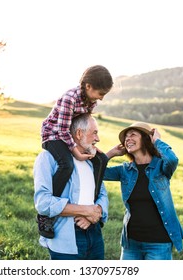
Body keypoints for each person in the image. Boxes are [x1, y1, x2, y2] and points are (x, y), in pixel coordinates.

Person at [37, 65, 113, 238]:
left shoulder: (91, 100)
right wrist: (76, 152)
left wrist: (90, 145)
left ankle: (90, 204)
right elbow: (63, 130)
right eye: (101, 93)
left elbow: (82, 122)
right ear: (88, 87)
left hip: (70, 136)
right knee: (66, 165)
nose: (101, 98)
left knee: (99, 159)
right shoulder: (69, 98)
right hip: (53, 136)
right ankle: (45, 216)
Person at [104, 122, 183, 260]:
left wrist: (157, 141)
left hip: (158, 243)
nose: (127, 139)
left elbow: (172, 159)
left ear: (146, 139)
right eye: (126, 137)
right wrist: (111, 153)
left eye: (133, 135)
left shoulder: (161, 167)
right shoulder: (125, 170)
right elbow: (97, 172)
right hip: (131, 244)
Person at [34, 113, 109, 260]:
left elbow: (102, 194)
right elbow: (43, 203)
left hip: (94, 234)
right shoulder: (48, 158)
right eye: (94, 133)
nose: (98, 139)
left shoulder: (91, 161)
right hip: (66, 237)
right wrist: (87, 211)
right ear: (79, 134)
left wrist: (95, 212)